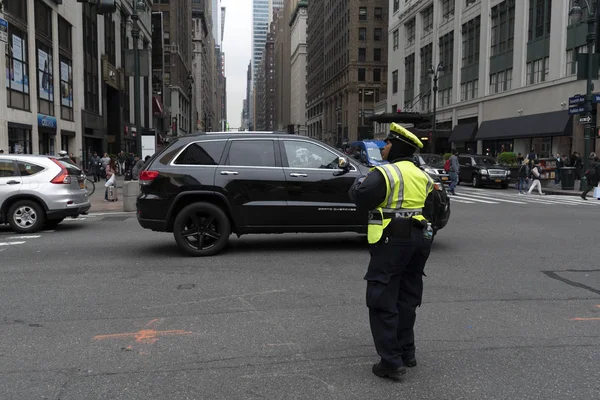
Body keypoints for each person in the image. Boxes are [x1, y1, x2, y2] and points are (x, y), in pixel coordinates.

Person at [349, 122, 435, 382]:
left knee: (382, 297)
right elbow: (431, 207)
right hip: (420, 238)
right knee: (407, 297)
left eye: (387, 143)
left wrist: (357, 184)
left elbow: (361, 197)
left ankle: (390, 362)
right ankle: (407, 352)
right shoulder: (424, 175)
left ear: (396, 146)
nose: (383, 147)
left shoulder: (386, 173)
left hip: (392, 239)